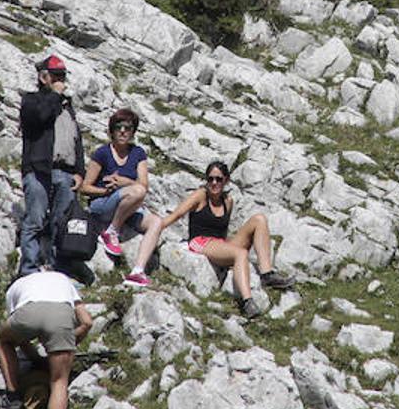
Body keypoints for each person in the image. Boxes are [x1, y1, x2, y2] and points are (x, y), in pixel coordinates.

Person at [161, 161, 295, 319]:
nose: (214, 183)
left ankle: (267, 274)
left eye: (218, 179)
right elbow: (177, 214)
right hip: (200, 241)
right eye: (210, 179)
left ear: (226, 180)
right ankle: (247, 302)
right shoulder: (200, 195)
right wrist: (158, 227)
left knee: (259, 219)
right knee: (241, 253)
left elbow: (222, 231)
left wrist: (227, 247)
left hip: (219, 243)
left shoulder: (228, 201)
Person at [0, 267, 93, 409]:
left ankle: (11, 398)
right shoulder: (62, 278)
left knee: (4, 341)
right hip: (60, 317)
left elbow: (18, 336)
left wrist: (34, 357)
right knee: (59, 381)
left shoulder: (16, 286)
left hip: (29, 312)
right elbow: (87, 322)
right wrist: (66, 344)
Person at [81, 108, 166, 288]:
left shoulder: (138, 153)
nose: (122, 131)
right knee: (137, 191)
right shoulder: (102, 153)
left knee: (157, 222)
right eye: (118, 127)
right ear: (111, 131)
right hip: (103, 204)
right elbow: (85, 187)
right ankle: (111, 231)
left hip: (127, 205)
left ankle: (138, 271)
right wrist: (105, 190)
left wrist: (124, 182)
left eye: (127, 128)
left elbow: (144, 185)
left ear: (133, 132)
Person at [19, 54, 85, 276]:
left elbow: (76, 141)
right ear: (43, 77)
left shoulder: (67, 107)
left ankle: (57, 268)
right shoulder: (31, 100)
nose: (60, 81)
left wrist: (80, 172)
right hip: (38, 170)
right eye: (55, 76)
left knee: (61, 222)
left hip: (65, 172)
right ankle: (28, 269)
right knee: (35, 220)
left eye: (62, 76)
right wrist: (54, 94)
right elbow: (40, 117)